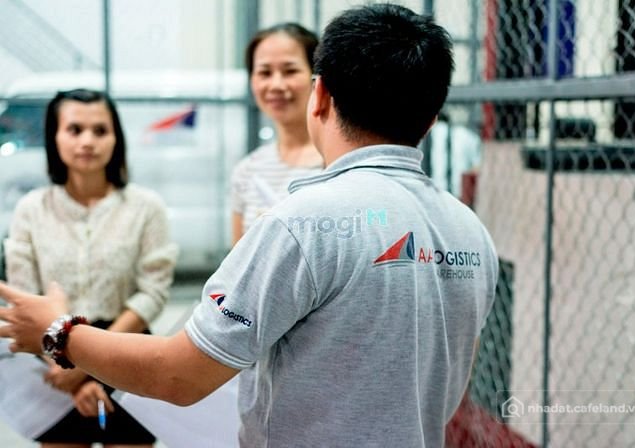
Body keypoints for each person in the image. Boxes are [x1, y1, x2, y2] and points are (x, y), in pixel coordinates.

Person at [0, 5, 497, 447]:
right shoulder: (470, 231)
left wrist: (59, 332)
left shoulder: (303, 223)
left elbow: (180, 376)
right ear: (431, 117)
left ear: (319, 95)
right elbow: (448, 377)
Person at [2, 89, 178, 447]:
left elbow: (152, 292)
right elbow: (27, 300)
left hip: (128, 353)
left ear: (116, 139)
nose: (87, 141)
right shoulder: (31, 210)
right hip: (51, 362)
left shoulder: (146, 207)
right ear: (55, 136)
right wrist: (67, 368)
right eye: (74, 129)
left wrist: (85, 366)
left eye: (100, 130)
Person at [231, 22, 323, 244]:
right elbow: (238, 259)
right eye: (264, 72)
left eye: (290, 71)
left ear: (316, 78)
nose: (276, 85)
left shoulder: (337, 165)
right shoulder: (247, 170)